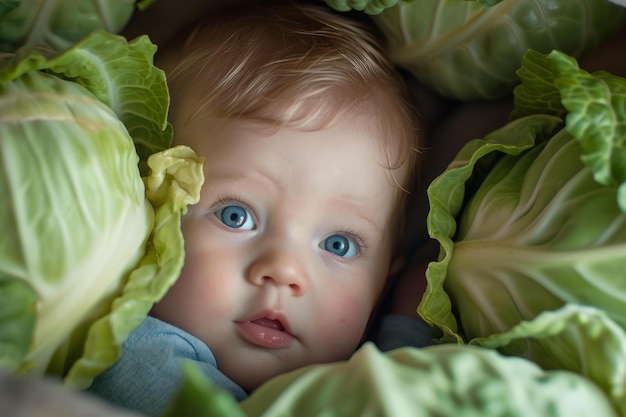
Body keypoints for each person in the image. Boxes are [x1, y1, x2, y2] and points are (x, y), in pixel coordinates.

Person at [87, 1, 428, 415]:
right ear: (145, 208)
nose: (284, 271)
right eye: (236, 216)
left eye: (339, 245)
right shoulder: (142, 359)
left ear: (380, 288)